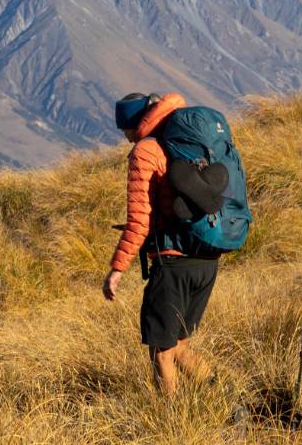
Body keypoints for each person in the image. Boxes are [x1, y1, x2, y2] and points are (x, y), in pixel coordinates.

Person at [101, 91, 217, 395]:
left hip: (173, 261)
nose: (125, 137)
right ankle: (229, 399)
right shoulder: (186, 140)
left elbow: (140, 220)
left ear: (133, 123)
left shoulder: (145, 151)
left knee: (161, 350)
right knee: (177, 345)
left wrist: (116, 269)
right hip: (206, 255)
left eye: (124, 130)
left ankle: (172, 424)